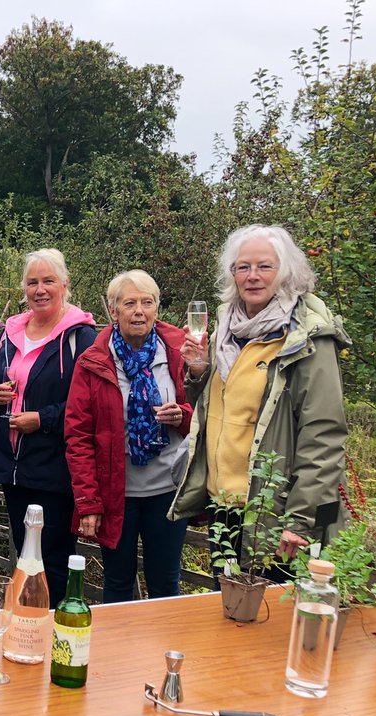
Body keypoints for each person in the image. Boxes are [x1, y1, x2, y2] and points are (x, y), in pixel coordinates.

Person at [171, 224, 349, 567]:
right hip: (224, 503)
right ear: (232, 274)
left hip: (275, 510)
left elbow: (324, 435)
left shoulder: (307, 337)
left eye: (265, 266)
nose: (253, 276)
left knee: (274, 613)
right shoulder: (226, 329)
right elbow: (219, 412)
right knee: (231, 608)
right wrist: (198, 373)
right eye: (243, 267)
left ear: (286, 273)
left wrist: (301, 519)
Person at [0, 249, 96, 601]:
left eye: (48, 281)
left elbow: (84, 405)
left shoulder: (80, 337)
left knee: (53, 559)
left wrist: (41, 419)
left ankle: (55, 632)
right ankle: (27, 628)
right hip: (13, 468)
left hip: (56, 467)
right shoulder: (9, 332)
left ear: (64, 285)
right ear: (24, 288)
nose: (40, 289)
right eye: (32, 282)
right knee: (26, 556)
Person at [65, 270, 193, 601]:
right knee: (118, 583)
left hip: (167, 489)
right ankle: (117, 653)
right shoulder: (93, 361)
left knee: (165, 583)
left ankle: (166, 653)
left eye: (147, 303)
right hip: (115, 492)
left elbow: (209, 416)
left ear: (157, 308)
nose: (139, 311)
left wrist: (182, 417)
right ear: (113, 310)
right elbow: (77, 436)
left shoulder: (179, 352)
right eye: (130, 303)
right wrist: (88, 501)